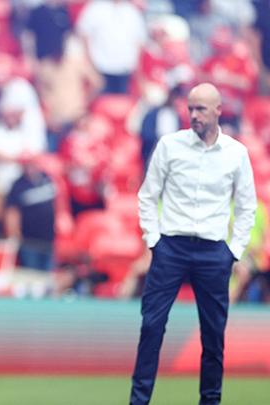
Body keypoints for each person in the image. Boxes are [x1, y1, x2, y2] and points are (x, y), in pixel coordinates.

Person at [130, 83, 257, 405]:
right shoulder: (169, 145)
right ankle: (139, 401)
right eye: (190, 108)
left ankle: (210, 401)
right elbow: (148, 195)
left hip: (214, 251)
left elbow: (246, 206)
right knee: (152, 327)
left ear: (218, 110)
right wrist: (153, 240)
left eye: (201, 109)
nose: (194, 115)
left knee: (214, 335)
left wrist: (234, 251)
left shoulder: (236, 153)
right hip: (170, 247)